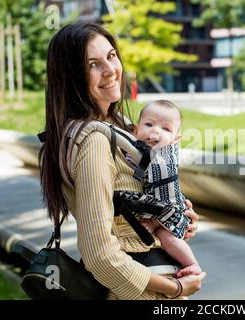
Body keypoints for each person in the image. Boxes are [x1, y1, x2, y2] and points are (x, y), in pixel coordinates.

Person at [39, 22, 206, 300]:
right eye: (93, 64)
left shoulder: (117, 130)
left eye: (111, 56)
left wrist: (172, 217)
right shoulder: (92, 139)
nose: (110, 70)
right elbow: (100, 254)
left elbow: (127, 215)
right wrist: (175, 288)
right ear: (72, 76)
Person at [120, 99, 201, 277]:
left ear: (175, 140)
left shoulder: (164, 163)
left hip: (171, 210)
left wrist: (155, 222)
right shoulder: (135, 152)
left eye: (166, 129)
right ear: (135, 130)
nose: (155, 131)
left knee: (167, 237)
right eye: (148, 124)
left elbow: (168, 200)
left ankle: (192, 263)